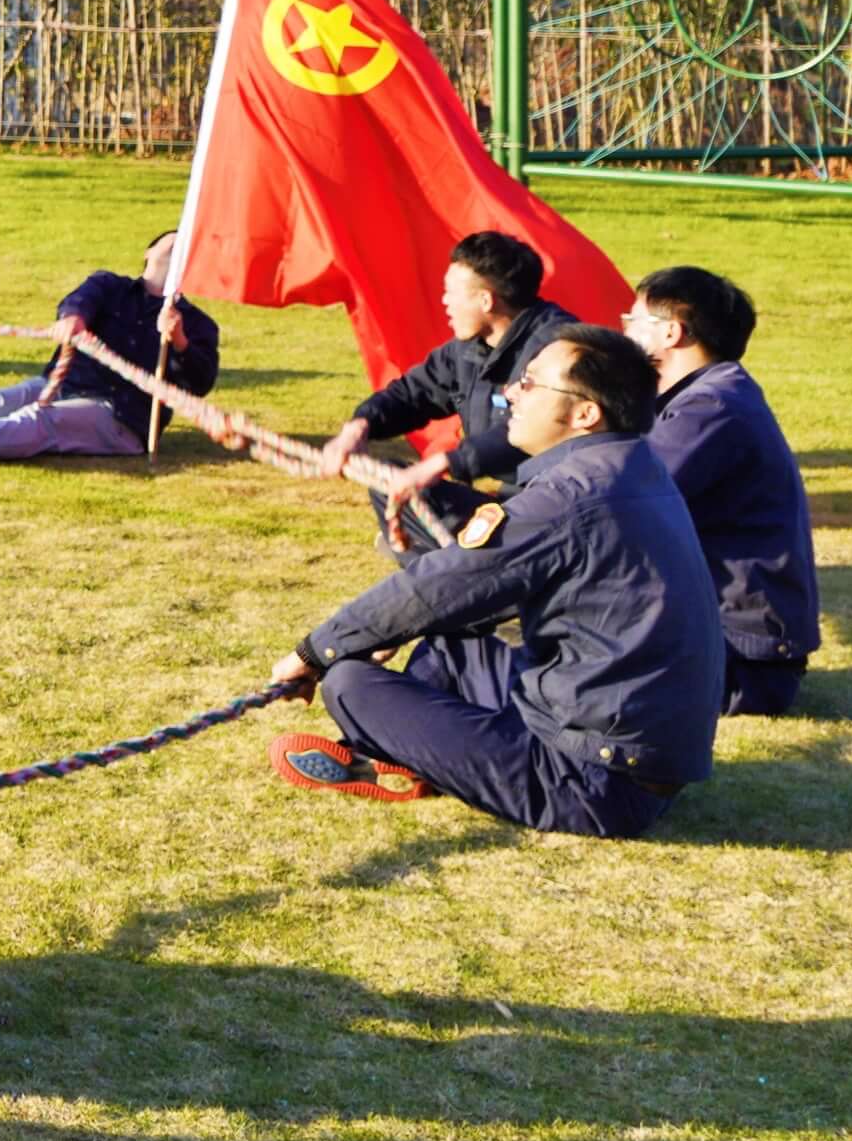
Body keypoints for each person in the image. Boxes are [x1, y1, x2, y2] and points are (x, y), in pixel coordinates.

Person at [270, 322, 723, 835]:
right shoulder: (634, 469)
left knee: (350, 683)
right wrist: (381, 632)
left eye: (530, 383)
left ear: (585, 413)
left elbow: (438, 585)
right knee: (453, 641)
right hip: (632, 754)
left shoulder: (571, 495)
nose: (511, 393)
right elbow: (462, 600)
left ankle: (412, 756)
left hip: (591, 780)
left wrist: (315, 652)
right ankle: (408, 754)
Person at [623, 265, 820, 718]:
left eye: (632, 320)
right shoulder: (711, 395)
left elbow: (620, 499)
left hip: (742, 661)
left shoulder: (710, 407)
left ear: (671, 332)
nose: (625, 331)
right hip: (736, 646)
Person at [0, 228, 216, 465]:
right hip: (64, 383)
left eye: (184, 247)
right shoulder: (109, 285)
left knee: (40, 421)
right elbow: (79, 301)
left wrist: (179, 340)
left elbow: (199, 383)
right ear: (148, 251)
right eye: (171, 240)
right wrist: (73, 319)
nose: (177, 244)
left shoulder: (196, 323)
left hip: (121, 416)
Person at [337, 227, 587, 541]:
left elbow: (536, 428)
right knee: (393, 484)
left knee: (442, 517)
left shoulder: (560, 352)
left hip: (558, 510)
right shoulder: (469, 349)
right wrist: (360, 425)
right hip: (512, 501)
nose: (444, 302)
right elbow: (413, 393)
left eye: (451, 292)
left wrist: (446, 462)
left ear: (485, 300)